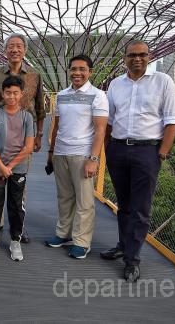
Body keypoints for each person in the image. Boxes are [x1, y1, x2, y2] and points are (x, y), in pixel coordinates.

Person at [101, 40, 175, 282]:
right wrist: (108, 149)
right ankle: (123, 245)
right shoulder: (116, 84)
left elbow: (172, 120)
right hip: (118, 149)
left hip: (147, 151)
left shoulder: (163, 81)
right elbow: (109, 121)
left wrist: (162, 153)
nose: (137, 59)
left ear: (149, 56)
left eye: (142, 55)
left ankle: (132, 261)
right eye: (132, 55)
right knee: (123, 204)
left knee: (141, 208)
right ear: (125, 58)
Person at [44, 55, 108, 260]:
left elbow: (100, 130)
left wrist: (93, 159)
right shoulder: (62, 95)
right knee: (64, 197)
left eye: (82, 69)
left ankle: (81, 242)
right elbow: (56, 127)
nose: (77, 73)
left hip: (82, 154)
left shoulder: (98, 95)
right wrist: (51, 153)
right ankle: (63, 234)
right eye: (73, 69)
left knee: (84, 201)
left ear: (90, 72)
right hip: (61, 152)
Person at [0, 33, 46, 244]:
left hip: (25, 135)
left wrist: (39, 134)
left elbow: (40, 106)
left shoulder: (34, 75)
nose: (15, 49)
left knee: (19, 183)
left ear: (25, 50)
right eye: (10, 46)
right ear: (5, 50)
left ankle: (18, 227)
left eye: (19, 46)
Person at [0, 76, 35, 261]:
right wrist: (0, 166)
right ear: (2, 94)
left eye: (15, 93)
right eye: (8, 93)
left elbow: (29, 147)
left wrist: (10, 166)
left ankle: (15, 240)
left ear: (21, 94)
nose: (11, 96)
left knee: (16, 205)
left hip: (17, 169)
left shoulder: (27, 117)